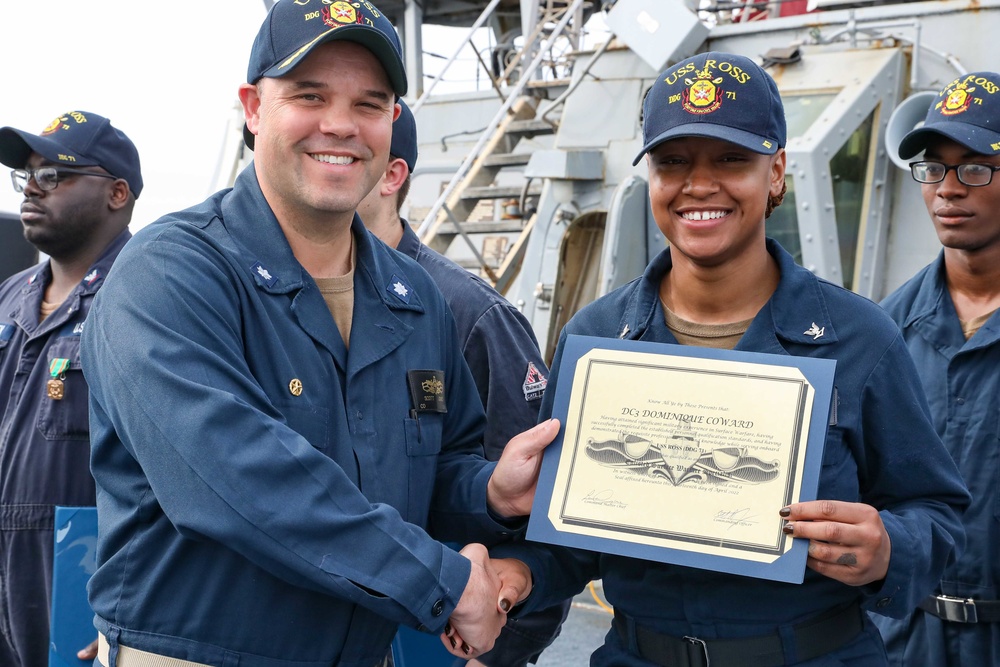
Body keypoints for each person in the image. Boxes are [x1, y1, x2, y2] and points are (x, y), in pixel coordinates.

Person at [80, 3, 559, 667]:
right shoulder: (170, 274)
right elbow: (243, 483)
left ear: (392, 123)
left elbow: (429, 468)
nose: (340, 124)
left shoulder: (413, 296)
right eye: (309, 95)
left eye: (369, 103)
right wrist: (446, 583)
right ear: (253, 107)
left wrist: (490, 492)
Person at [486, 52, 971, 666]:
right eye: (673, 162)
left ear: (776, 174)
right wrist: (517, 574)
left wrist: (888, 548)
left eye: (732, 159)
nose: (699, 185)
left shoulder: (859, 338)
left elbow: (937, 512)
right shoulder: (600, 337)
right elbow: (570, 536)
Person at [357, 99, 570, 667]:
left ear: (392, 175)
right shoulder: (293, 303)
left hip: (438, 645)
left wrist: (494, 658)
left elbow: (538, 510)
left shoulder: (470, 314)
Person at [0, 111, 142, 667]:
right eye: (27, 175)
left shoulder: (147, 295)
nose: (33, 188)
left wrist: (135, 605)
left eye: (54, 175)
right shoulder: (10, 297)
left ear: (117, 193)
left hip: (85, 575)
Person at [872, 71, 1000, 666]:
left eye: (976, 167)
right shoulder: (879, 334)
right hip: (900, 639)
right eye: (933, 168)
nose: (948, 189)